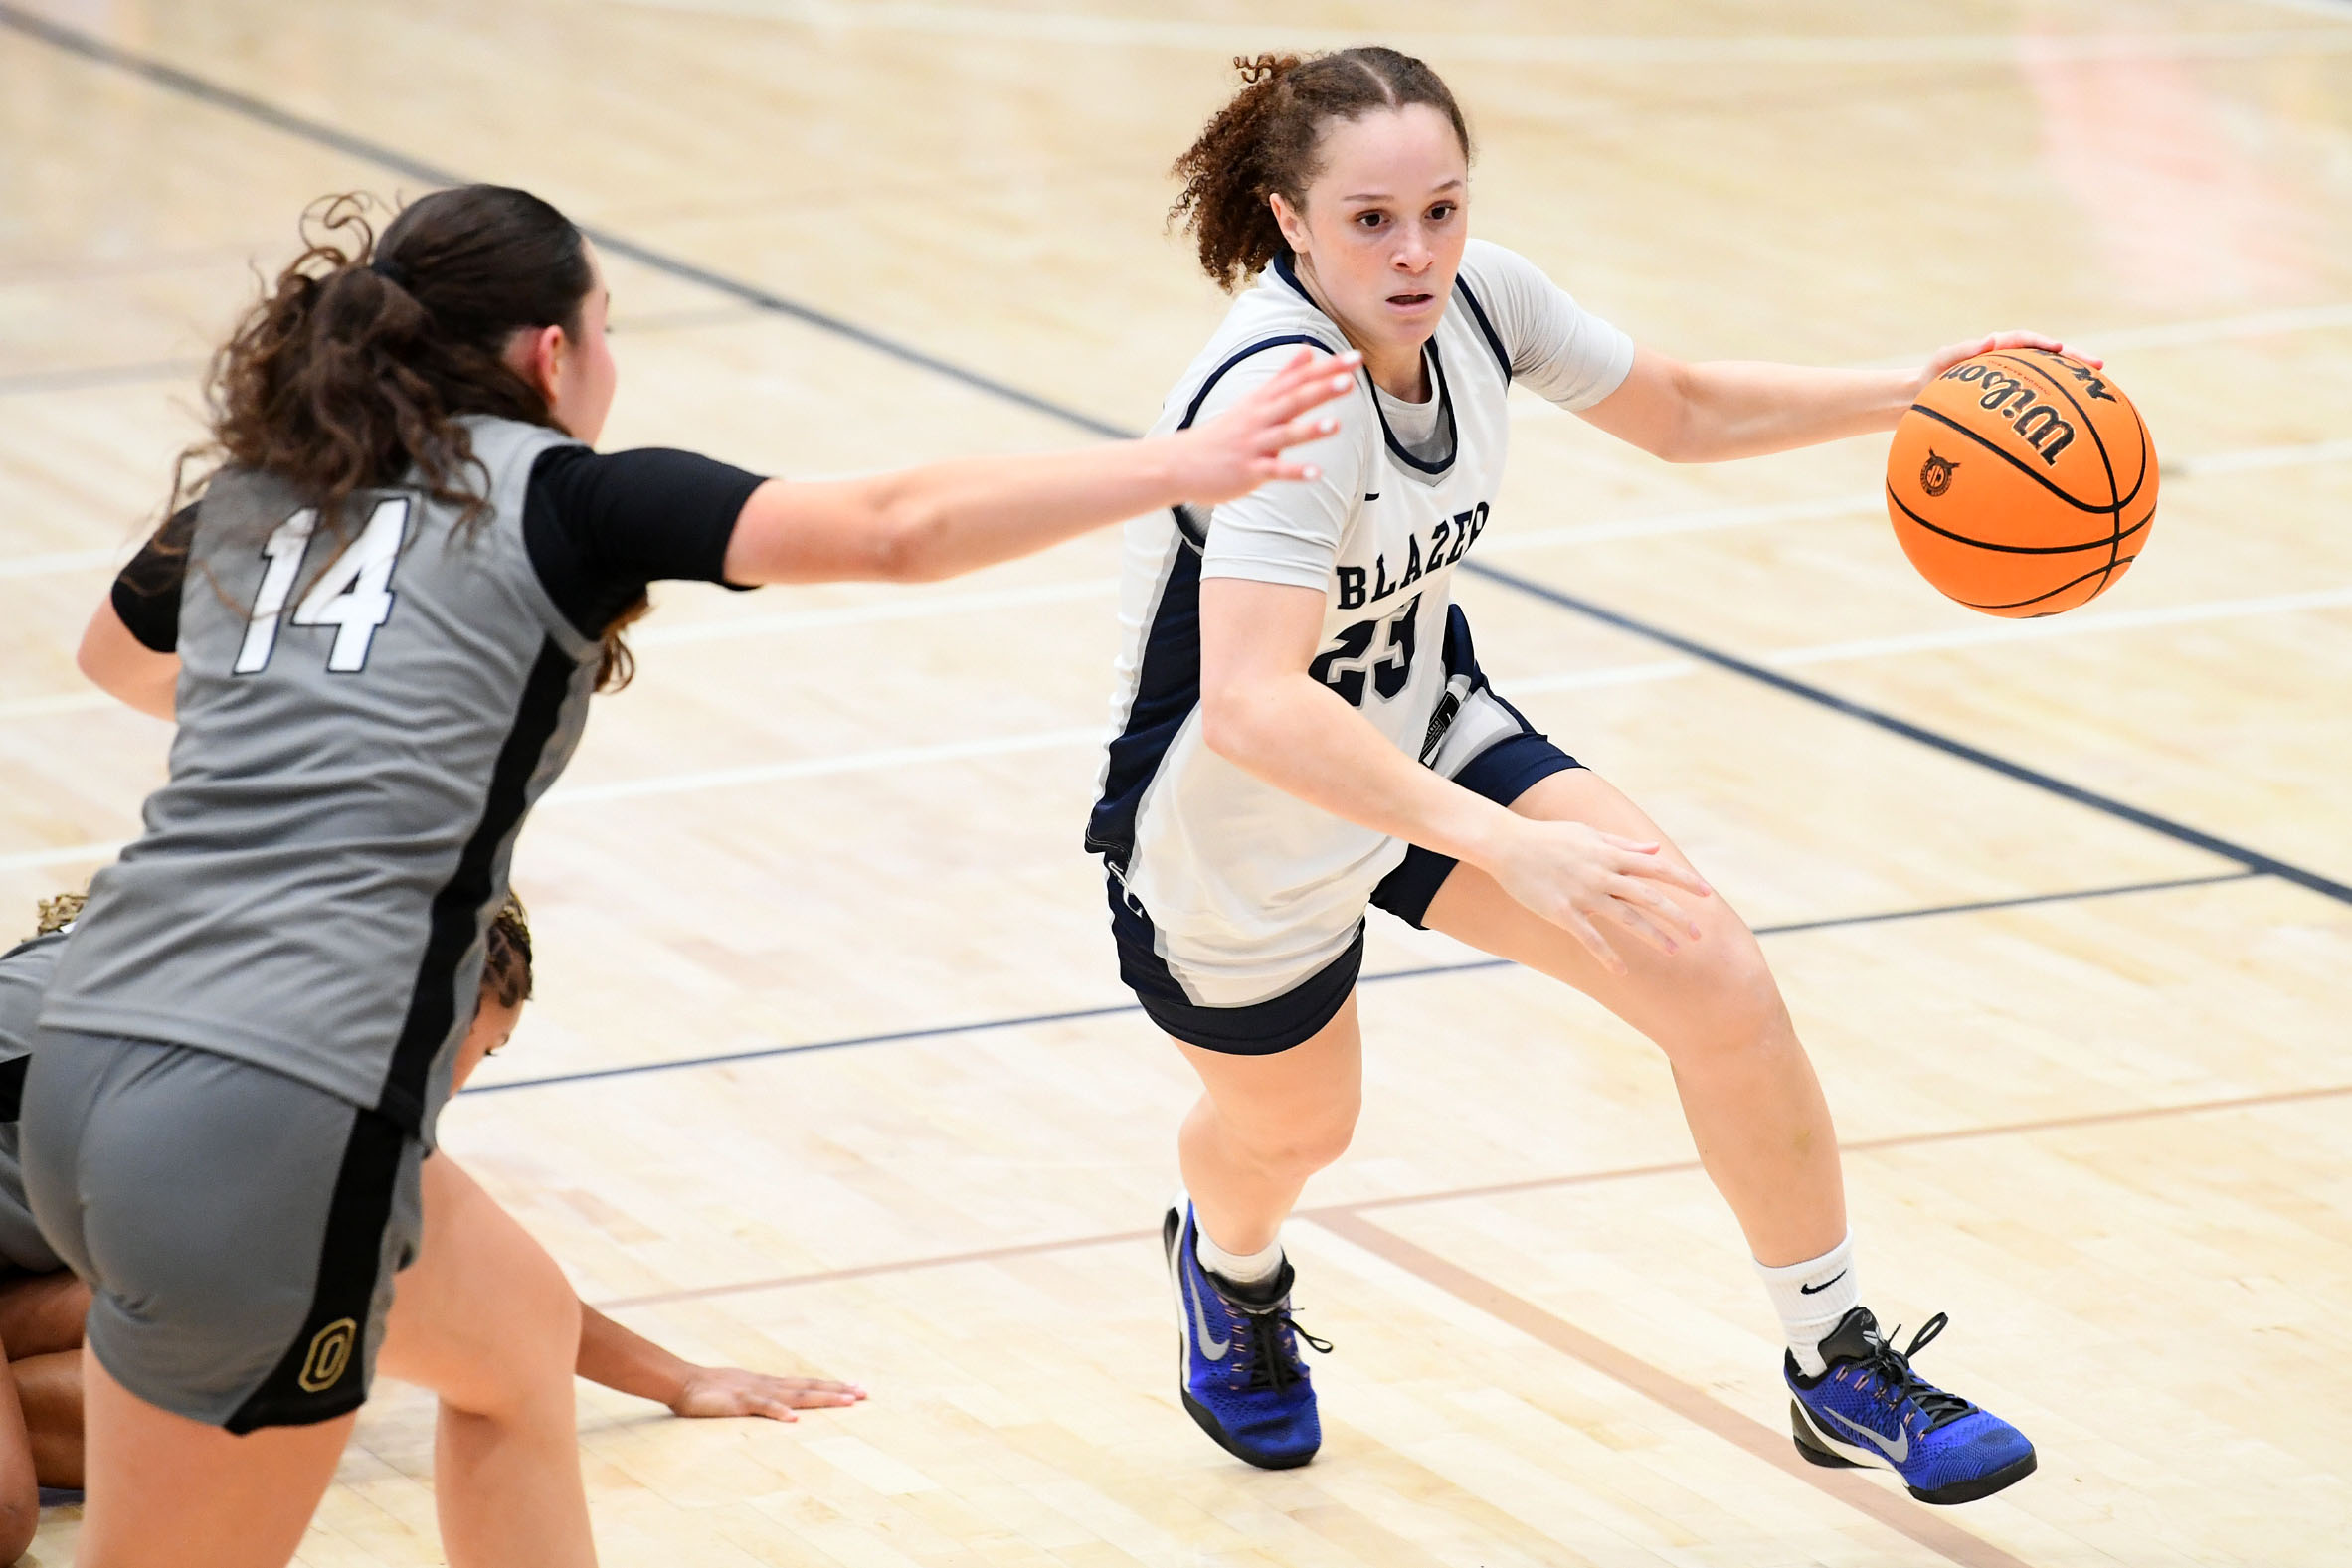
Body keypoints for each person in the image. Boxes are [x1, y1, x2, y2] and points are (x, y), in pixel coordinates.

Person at [42, 183, 1356, 1568]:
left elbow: (114, 662)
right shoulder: (569, 497)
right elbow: (894, 527)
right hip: (272, 1116)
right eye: (607, 328)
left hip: (88, 1051)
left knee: (514, 1347)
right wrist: (1179, 467)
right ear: (553, 356)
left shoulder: (261, 492)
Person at [1097, 48, 2080, 1505]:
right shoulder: (1282, 401)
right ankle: (1226, 1268)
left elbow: (1677, 408)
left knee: (1715, 978)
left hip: (1422, 730)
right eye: (1371, 219)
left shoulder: (1483, 298)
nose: (1416, 249)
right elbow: (1248, 704)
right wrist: (1505, 845)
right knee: (1294, 1128)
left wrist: (1920, 395)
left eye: (1439, 206)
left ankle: (1835, 1359)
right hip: (1236, 827)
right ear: (1288, 219)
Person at [0, 893, 862, 1559]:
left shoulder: (279, 987)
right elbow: (481, 1281)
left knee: (293, 1330)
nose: (456, 1085)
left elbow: (450, 1264)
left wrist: (680, 1379)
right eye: (472, 1048)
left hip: (25, 1260)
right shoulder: (245, 1039)